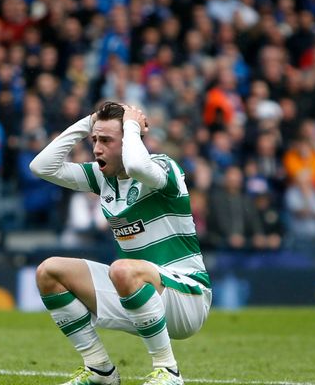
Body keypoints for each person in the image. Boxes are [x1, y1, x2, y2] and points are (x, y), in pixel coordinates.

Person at [29, 102, 211, 385]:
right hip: (135, 291)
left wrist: (132, 126)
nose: (97, 148)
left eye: (106, 140)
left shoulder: (163, 169)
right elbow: (41, 166)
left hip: (187, 296)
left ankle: (169, 371)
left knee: (123, 269)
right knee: (48, 272)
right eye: (94, 140)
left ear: (129, 141)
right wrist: (88, 122)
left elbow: (137, 164)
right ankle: (100, 370)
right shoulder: (103, 178)